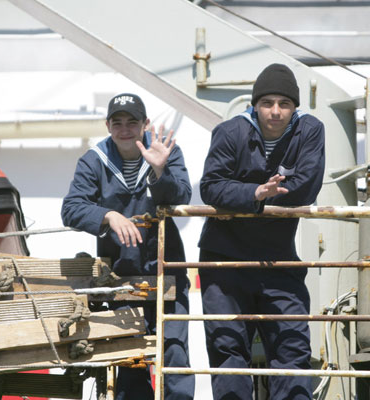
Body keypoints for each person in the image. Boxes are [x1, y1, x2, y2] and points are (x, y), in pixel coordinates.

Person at [198, 63, 325, 399]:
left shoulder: (309, 131)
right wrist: (255, 195)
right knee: (228, 349)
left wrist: (238, 204)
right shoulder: (231, 131)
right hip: (224, 260)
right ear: (255, 104)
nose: (275, 111)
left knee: (293, 345)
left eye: (284, 104)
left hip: (277, 259)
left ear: (295, 107)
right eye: (267, 102)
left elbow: (306, 189)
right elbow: (210, 188)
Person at [61, 93, 194, 399]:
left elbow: (181, 196)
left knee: (175, 354)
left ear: (145, 124)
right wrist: (108, 215)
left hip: (167, 272)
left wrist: (160, 170)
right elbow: (71, 208)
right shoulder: (95, 159)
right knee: (130, 358)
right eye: (117, 123)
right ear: (107, 125)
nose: (124, 129)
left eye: (132, 122)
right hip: (121, 277)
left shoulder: (165, 150)